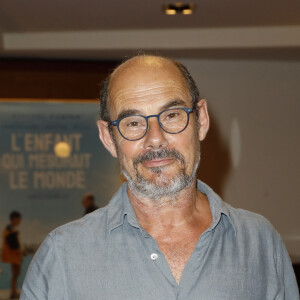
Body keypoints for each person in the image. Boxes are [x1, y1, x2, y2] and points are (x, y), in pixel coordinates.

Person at [20, 55, 299, 299]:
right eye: (133, 122)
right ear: (108, 137)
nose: (155, 138)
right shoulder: (63, 256)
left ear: (200, 120)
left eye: (172, 115)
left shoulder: (261, 243)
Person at [2, 211, 23, 299]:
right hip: (13, 256)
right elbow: (13, 245)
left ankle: (13, 292)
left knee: (15, 275)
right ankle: (13, 293)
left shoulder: (11, 230)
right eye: (17, 219)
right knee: (15, 275)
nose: (19, 221)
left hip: (14, 256)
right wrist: (21, 251)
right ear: (14, 219)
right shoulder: (10, 231)